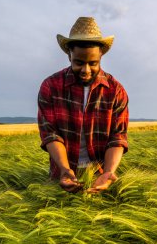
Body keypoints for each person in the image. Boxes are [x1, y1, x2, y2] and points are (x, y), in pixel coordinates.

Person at [37, 17, 129, 193]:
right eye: (79, 62)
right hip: (62, 177)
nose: (86, 70)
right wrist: (64, 169)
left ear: (101, 56)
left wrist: (108, 172)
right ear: (69, 55)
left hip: (100, 177)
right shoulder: (50, 87)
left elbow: (118, 137)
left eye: (93, 63)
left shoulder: (116, 91)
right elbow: (50, 134)